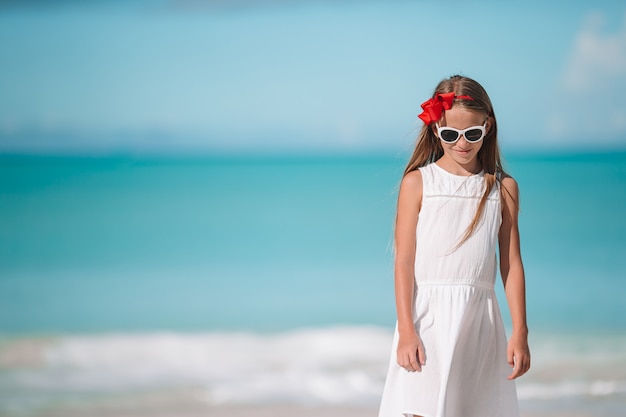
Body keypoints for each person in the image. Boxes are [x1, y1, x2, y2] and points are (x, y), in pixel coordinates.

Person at [378, 75, 530, 417]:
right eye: (450, 134)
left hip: (479, 322)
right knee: (419, 407)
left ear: (487, 128)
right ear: (436, 130)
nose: (462, 143)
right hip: (426, 319)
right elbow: (404, 261)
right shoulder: (418, 183)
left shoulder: (502, 189)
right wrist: (406, 329)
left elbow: (511, 264)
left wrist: (520, 330)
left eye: (472, 134)